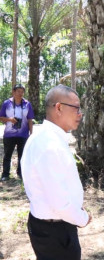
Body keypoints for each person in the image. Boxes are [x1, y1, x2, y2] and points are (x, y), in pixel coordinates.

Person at [21, 85, 91, 260]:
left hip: (49, 226)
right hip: (56, 231)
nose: (80, 114)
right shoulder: (49, 145)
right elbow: (59, 202)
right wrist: (82, 218)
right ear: (59, 108)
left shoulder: (44, 137)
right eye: (76, 108)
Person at [0, 84, 34, 181]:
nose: (20, 93)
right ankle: (5, 174)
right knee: (7, 155)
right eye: (18, 91)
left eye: (22, 91)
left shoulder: (27, 104)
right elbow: (1, 117)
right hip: (9, 135)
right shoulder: (7, 103)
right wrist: (10, 119)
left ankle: (21, 173)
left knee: (22, 155)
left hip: (23, 134)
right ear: (13, 92)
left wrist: (31, 134)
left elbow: (30, 120)